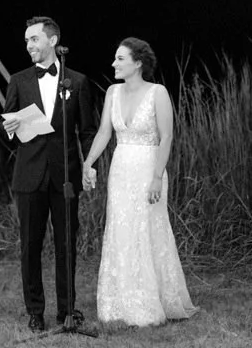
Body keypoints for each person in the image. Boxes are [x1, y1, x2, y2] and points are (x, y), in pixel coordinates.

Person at [82, 37, 198, 326]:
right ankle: (122, 301)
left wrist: (158, 177)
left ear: (138, 62)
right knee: (121, 229)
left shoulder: (157, 92)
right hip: (121, 170)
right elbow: (103, 134)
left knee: (148, 230)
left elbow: (166, 137)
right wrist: (89, 162)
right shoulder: (112, 92)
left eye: (120, 58)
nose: (114, 64)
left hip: (149, 170)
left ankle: (154, 299)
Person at [2, 16, 97, 332]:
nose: (29, 45)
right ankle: (35, 311)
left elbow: (87, 130)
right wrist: (10, 128)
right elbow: (4, 129)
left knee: (66, 245)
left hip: (65, 175)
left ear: (53, 41)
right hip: (29, 175)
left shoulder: (78, 81)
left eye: (34, 39)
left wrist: (89, 163)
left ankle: (67, 310)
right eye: (27, 40)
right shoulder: (18, 80)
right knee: (30, 245)